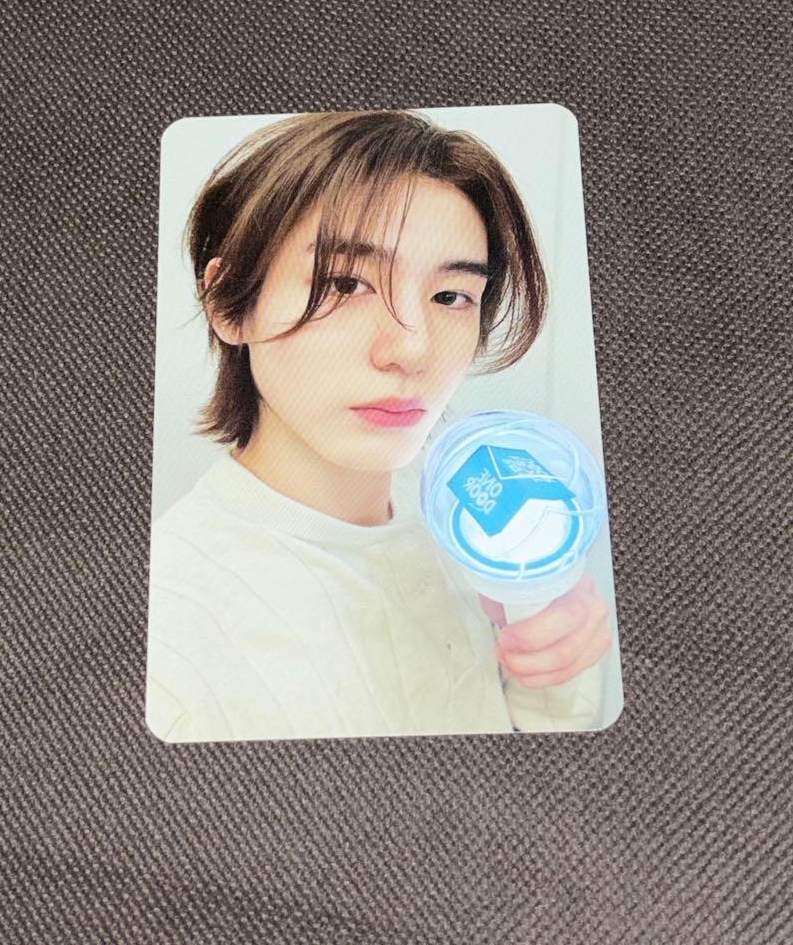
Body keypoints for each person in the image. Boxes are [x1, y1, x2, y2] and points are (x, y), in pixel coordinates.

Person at [145, 110, 613, 742]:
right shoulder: (172, 634)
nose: (413, 349)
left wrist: (552, 668)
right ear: (230, 304)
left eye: (450, 296)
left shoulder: (475, 528)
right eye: (345, 283)